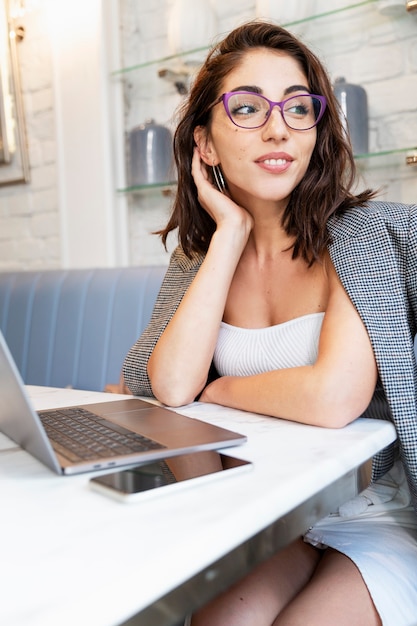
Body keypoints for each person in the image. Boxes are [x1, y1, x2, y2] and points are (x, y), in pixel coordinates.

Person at [123, 20, 417, 626]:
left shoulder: (364, 238)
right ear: (204, 143)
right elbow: (170, 385)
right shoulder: (199, 262)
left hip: (382, 512)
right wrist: (229, 233)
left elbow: (334, 396)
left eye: (297, 107)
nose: (278, 126)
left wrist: (221, 390)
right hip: (276, 512)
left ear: (316, 129)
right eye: (248, 107)